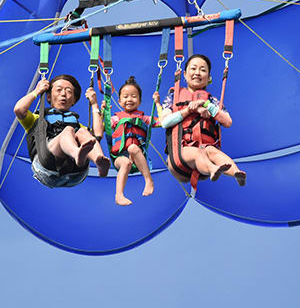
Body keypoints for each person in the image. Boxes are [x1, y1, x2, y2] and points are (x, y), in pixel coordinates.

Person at [154, 54, 246, 186]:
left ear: (208, 78)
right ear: (184, 74)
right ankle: (213, 169)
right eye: (193, 68)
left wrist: (205, 104)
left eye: (203, 70)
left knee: (212, 152)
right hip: (180, 154)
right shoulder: (173, 98)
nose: (197, 73)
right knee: (198, 153)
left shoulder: (211, 101)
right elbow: (165, 122)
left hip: (205, 147)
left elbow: (227, 122)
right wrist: (189, 110)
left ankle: (236, 172)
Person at [14, 74, 110, 188]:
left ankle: (99, 161)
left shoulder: (78, 126)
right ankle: (77, 154)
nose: (63, 94)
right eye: (58, 90)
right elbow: (19, 109)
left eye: (69, 91)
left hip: (76, 172)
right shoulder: (37, 120)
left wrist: (94, 104)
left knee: (84, 133)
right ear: (49, 97)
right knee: (68, 130)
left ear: (74, 100)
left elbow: (98, 135)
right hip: (47, 166)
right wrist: (37, 91)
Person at [102, 76, 155, 206]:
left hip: (137, 157)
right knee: (125, 163)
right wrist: (102, 112)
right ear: (119, 101)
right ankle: (119, 195)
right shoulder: (115, 119)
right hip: (120, 157)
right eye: (125, 97)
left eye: (133, 96)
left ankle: (148, 181)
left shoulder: (144, 118)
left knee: (133, 148)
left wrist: (158, 103)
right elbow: (100, 129)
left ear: (140, 100)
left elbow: (163, 122)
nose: (129, 99)